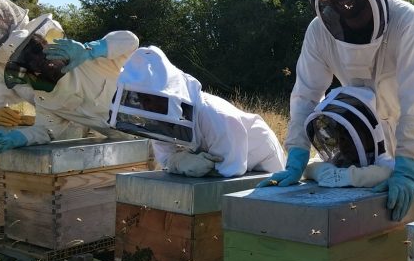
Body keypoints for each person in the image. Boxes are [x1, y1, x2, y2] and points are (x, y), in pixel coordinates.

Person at [260, 0, 414, 221]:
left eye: (352, 4)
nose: (348, 16)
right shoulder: (318, 33)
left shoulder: (407, 22)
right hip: (371, 142)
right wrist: (296, 157)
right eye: (337, 6)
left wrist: (406, 170)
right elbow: (305, 96)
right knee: (378, 230)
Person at [108, 46, 284, 178]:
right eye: (145, 100)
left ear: (172, 95)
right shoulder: (159, 123)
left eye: (156, 100)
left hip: (261, 158)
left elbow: (231, 171)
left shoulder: (215, 115)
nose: (150, 107)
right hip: (230, 161)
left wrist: (194, 167)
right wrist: (179, 162)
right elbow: (167, 159)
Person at [0, 16, 139, 154]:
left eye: (35, 50)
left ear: (45, 44)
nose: (36, 60)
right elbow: (45, 130)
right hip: (134, 144)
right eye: (28, 60)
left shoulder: (89, 58)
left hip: (157, 113)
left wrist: (91, 49)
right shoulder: (45, 100)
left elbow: (130, 41)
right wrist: (19, 137)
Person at [302, 85, 395, 189]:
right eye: (340, 138)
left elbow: (388, 172)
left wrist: (347, 176)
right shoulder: (339, 158)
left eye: (349, 137)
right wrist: (324, 170)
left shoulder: (383, 165)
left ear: (369, 139)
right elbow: (308, 167)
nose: (343, 144)